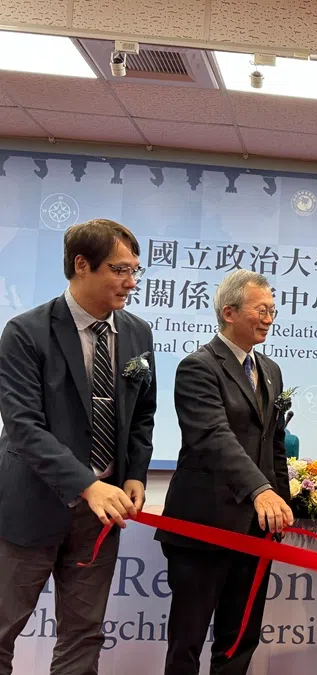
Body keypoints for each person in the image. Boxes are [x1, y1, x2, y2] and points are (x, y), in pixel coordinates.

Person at [0, 218, 156, 674]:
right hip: (32, 507)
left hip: (101, 516)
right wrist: (88, 484)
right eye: (119, 270)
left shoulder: (137, 333)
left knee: (83, 634)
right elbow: (24, 427)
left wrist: (133, 474)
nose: (130, 283)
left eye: (135, 271)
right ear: (81, 265)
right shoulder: (26, 332)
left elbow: (142, 414)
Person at [156, 270, 293, 675]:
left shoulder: (269, 370)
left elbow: (274, 442)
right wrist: (260, 491)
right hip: (204, 527)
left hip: (255, 530)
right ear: (229, 312)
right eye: (261, 310)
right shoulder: (198, 367)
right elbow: (214, 437)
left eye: (273, 310)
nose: (269, 318)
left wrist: (280, 500)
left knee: (239, 640)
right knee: (187, 641)